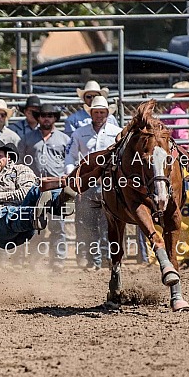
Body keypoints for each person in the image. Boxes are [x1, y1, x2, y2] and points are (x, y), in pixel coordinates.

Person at [0, 139, 75, 251]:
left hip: (23, 217)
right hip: (0, 224)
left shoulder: (21, 170)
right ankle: (33, 215)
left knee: (36, 189)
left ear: (8, 157)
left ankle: (60, 203)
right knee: (9, 213)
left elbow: (26, 192)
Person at [65, 96, 122, 270]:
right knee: (88, 224)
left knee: (109, 224)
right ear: (90, 113)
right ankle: (94, 260)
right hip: (87, 185)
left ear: (107, 113)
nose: (99, 115)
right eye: (96, 112)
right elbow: (70, 157)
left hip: (109, 185)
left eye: (102, 112)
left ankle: (107, 258)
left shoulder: (117, 133)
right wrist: (75, 181)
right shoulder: (79, 133)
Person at [19, 104, 71, 267]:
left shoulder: (64, 139)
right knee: (35, 225)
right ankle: (35, 260)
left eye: (50, 115)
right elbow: (20, 162)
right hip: (34, 188)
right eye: (43, 115)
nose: (46, 118)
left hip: (56, 187)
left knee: (58, 225)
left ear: (55, 118)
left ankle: (58, 260)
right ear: (38, 117)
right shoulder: (27, 138)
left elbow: (70, 162)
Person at [163, 81, 189, 149]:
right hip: (176, 148)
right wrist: (184, 149)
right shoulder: (180, 113)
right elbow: (181, 136)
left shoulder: (170, 110)